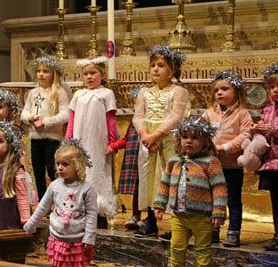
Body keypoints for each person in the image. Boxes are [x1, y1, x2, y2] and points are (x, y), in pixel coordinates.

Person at [154, 116, 227, 267]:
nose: (189, 141)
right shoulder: (174, 161)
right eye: (185, 137)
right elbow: (164, 184)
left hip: (202, 217)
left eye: (195, 137)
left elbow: (219, 187)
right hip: (179, 216)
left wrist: (219, 211)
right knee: (177, 246)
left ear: (205, 141)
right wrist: (159, 204)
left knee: (202, 249)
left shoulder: (211, 162)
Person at [133, 44, 189, 237]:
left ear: (172, 70)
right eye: (153, 65)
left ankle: (176, 226)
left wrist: (155, 135)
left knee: (171, 179)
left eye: (161, 65)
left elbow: (175, 117)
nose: (155, 69)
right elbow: (138, 116)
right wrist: (145, 135)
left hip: (168, 140)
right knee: (148, 179)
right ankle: (150, 221)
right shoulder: (144, 92)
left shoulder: (178, 91)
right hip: (148, 142)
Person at [24, 139, 97, 267]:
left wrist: (89, 237)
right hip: (57, 237)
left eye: (65, 164)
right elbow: (42, 208)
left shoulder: (87, 189)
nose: (59, 168)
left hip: (78, 239)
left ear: (77, 165)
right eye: (58, 164)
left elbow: (92, 215)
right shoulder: (54, 185)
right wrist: (30, 224)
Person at [202, 70, 252, 247]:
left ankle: (233, 231)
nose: (220, 93)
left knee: (232, 199)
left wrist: (224, 148)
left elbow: (246, 135)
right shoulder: (209, 114)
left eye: (224, 89)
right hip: (211, 166)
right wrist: (205, 148)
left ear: (236, 91)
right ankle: (212, 230)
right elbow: (201, 133)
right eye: (216, 90)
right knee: (211, 198)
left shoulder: (242, 114)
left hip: (232, 166)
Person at [66, 56, 117, 228]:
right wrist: (67, 141)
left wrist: (112, 141)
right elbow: (72, 118)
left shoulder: (106, 94)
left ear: (102, 75)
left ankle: (98, 211)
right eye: (86, 74)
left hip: (98, 142)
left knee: (97, 172)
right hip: (79, 141)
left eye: (93, 73)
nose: (89, 77)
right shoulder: (78, 94)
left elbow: (110, 118)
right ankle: (77, 208)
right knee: (79, 172)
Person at [21, 55, 70, 202]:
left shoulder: (59, 92)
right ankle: (43, 202)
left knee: (53, 171)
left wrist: (46, 121)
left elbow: (65, 114)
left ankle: (57, 201)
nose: (41, 74)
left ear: (53, 73)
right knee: (38, 172)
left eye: (46, 71)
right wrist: (30, 118)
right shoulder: (33, 93)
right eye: (39, 71)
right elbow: (24, 111)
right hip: (36, 138)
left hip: (52, 138)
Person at [255, 63, 278, 252]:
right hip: (271, 162)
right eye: (272, 87)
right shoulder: (267, 109)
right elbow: (264, 129)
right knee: (276, 200)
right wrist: (256, 130)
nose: (275, 90)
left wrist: (272, 129)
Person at [109, 86, 144, 230]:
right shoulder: (133, 121)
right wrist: (114, 145)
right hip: (134, 159)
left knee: (146, 188)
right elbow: (126, 139)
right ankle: (136, 215)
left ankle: (151, 216)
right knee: (137, 188)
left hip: (147, 158)